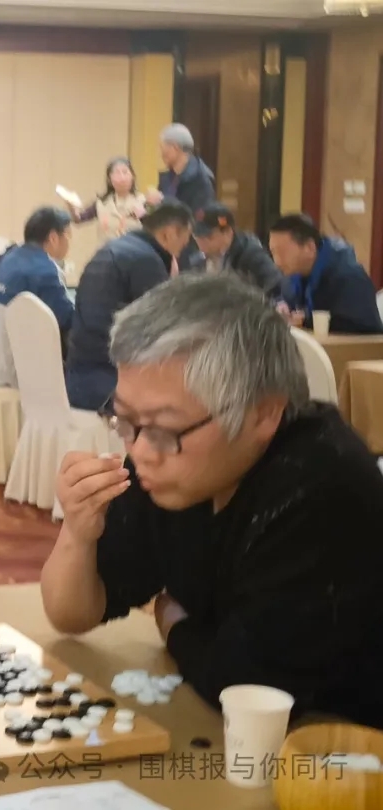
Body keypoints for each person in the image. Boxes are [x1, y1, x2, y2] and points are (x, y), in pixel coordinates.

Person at [42, 273, 383, 729]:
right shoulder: (170, 464)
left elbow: (244, 687)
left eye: (163, 427)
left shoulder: (321, 485)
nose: (139, 450)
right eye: (124, 420)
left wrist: (172, 621)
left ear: (263, 413)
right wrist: (78, 533)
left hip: (339, 744)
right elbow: (72, 613)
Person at [64, 200, 192, 411]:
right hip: (112, 385)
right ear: (169, 233)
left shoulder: (112, 248)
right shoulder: (146, 261)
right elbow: (161, 331)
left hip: (79, 378)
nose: (183, 250)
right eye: (184, 241)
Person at [0, 207, 75, 387]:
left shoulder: (10, 258)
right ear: (53, 238)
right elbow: (67, 318)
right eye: (68, 235)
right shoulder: (45, 269)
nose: (69, 242)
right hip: (16, 376)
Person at [268, 213, 383, 335]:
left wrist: (306, 321)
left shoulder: (349, 277)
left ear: (310, 248)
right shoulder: (292, 275)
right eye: (273, 253)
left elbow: (363, 327)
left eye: (282, 253)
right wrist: (280, 305)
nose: (277, 261)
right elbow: (278, 297)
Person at [152, 124, 215, 267]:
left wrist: (162, 200)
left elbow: (199, 217)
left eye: (163, 148)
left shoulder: (201, 179)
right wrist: (148, 207)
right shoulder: (168, 177)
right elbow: (158, 210)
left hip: (189, 252)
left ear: (174, 147)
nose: (161, 153)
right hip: (165, 248)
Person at [190, 203, 283, 299]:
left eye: (209, 237)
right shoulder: (197, 262)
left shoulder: (251, 255)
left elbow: (275, 284)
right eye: (197, 238)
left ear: (227, 232)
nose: (202, 245)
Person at [68, 157, 148, 243]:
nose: (122, 177)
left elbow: (153, 227)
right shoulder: (101, 203)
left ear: (133, 176)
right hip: (107, 249)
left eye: (125, 172)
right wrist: (72, 208)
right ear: (109, 179)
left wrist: (144, 214)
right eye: (117, 173)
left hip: (134, 249)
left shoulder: (143, 201)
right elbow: (79, 219)